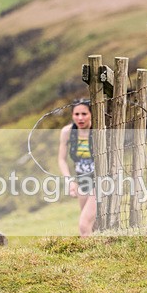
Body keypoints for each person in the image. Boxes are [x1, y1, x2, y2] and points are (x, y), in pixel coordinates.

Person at [58, 98, 96, 237]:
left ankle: (88, 252)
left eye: (84, 114)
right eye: (76, 114)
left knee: (84, 225)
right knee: (93, 226)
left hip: (101, 181)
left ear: (91, 114)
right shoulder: (67, 132)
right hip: (82, 181)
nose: (80, 118)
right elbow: (61, 159)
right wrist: (70, 181)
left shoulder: (99, 130)